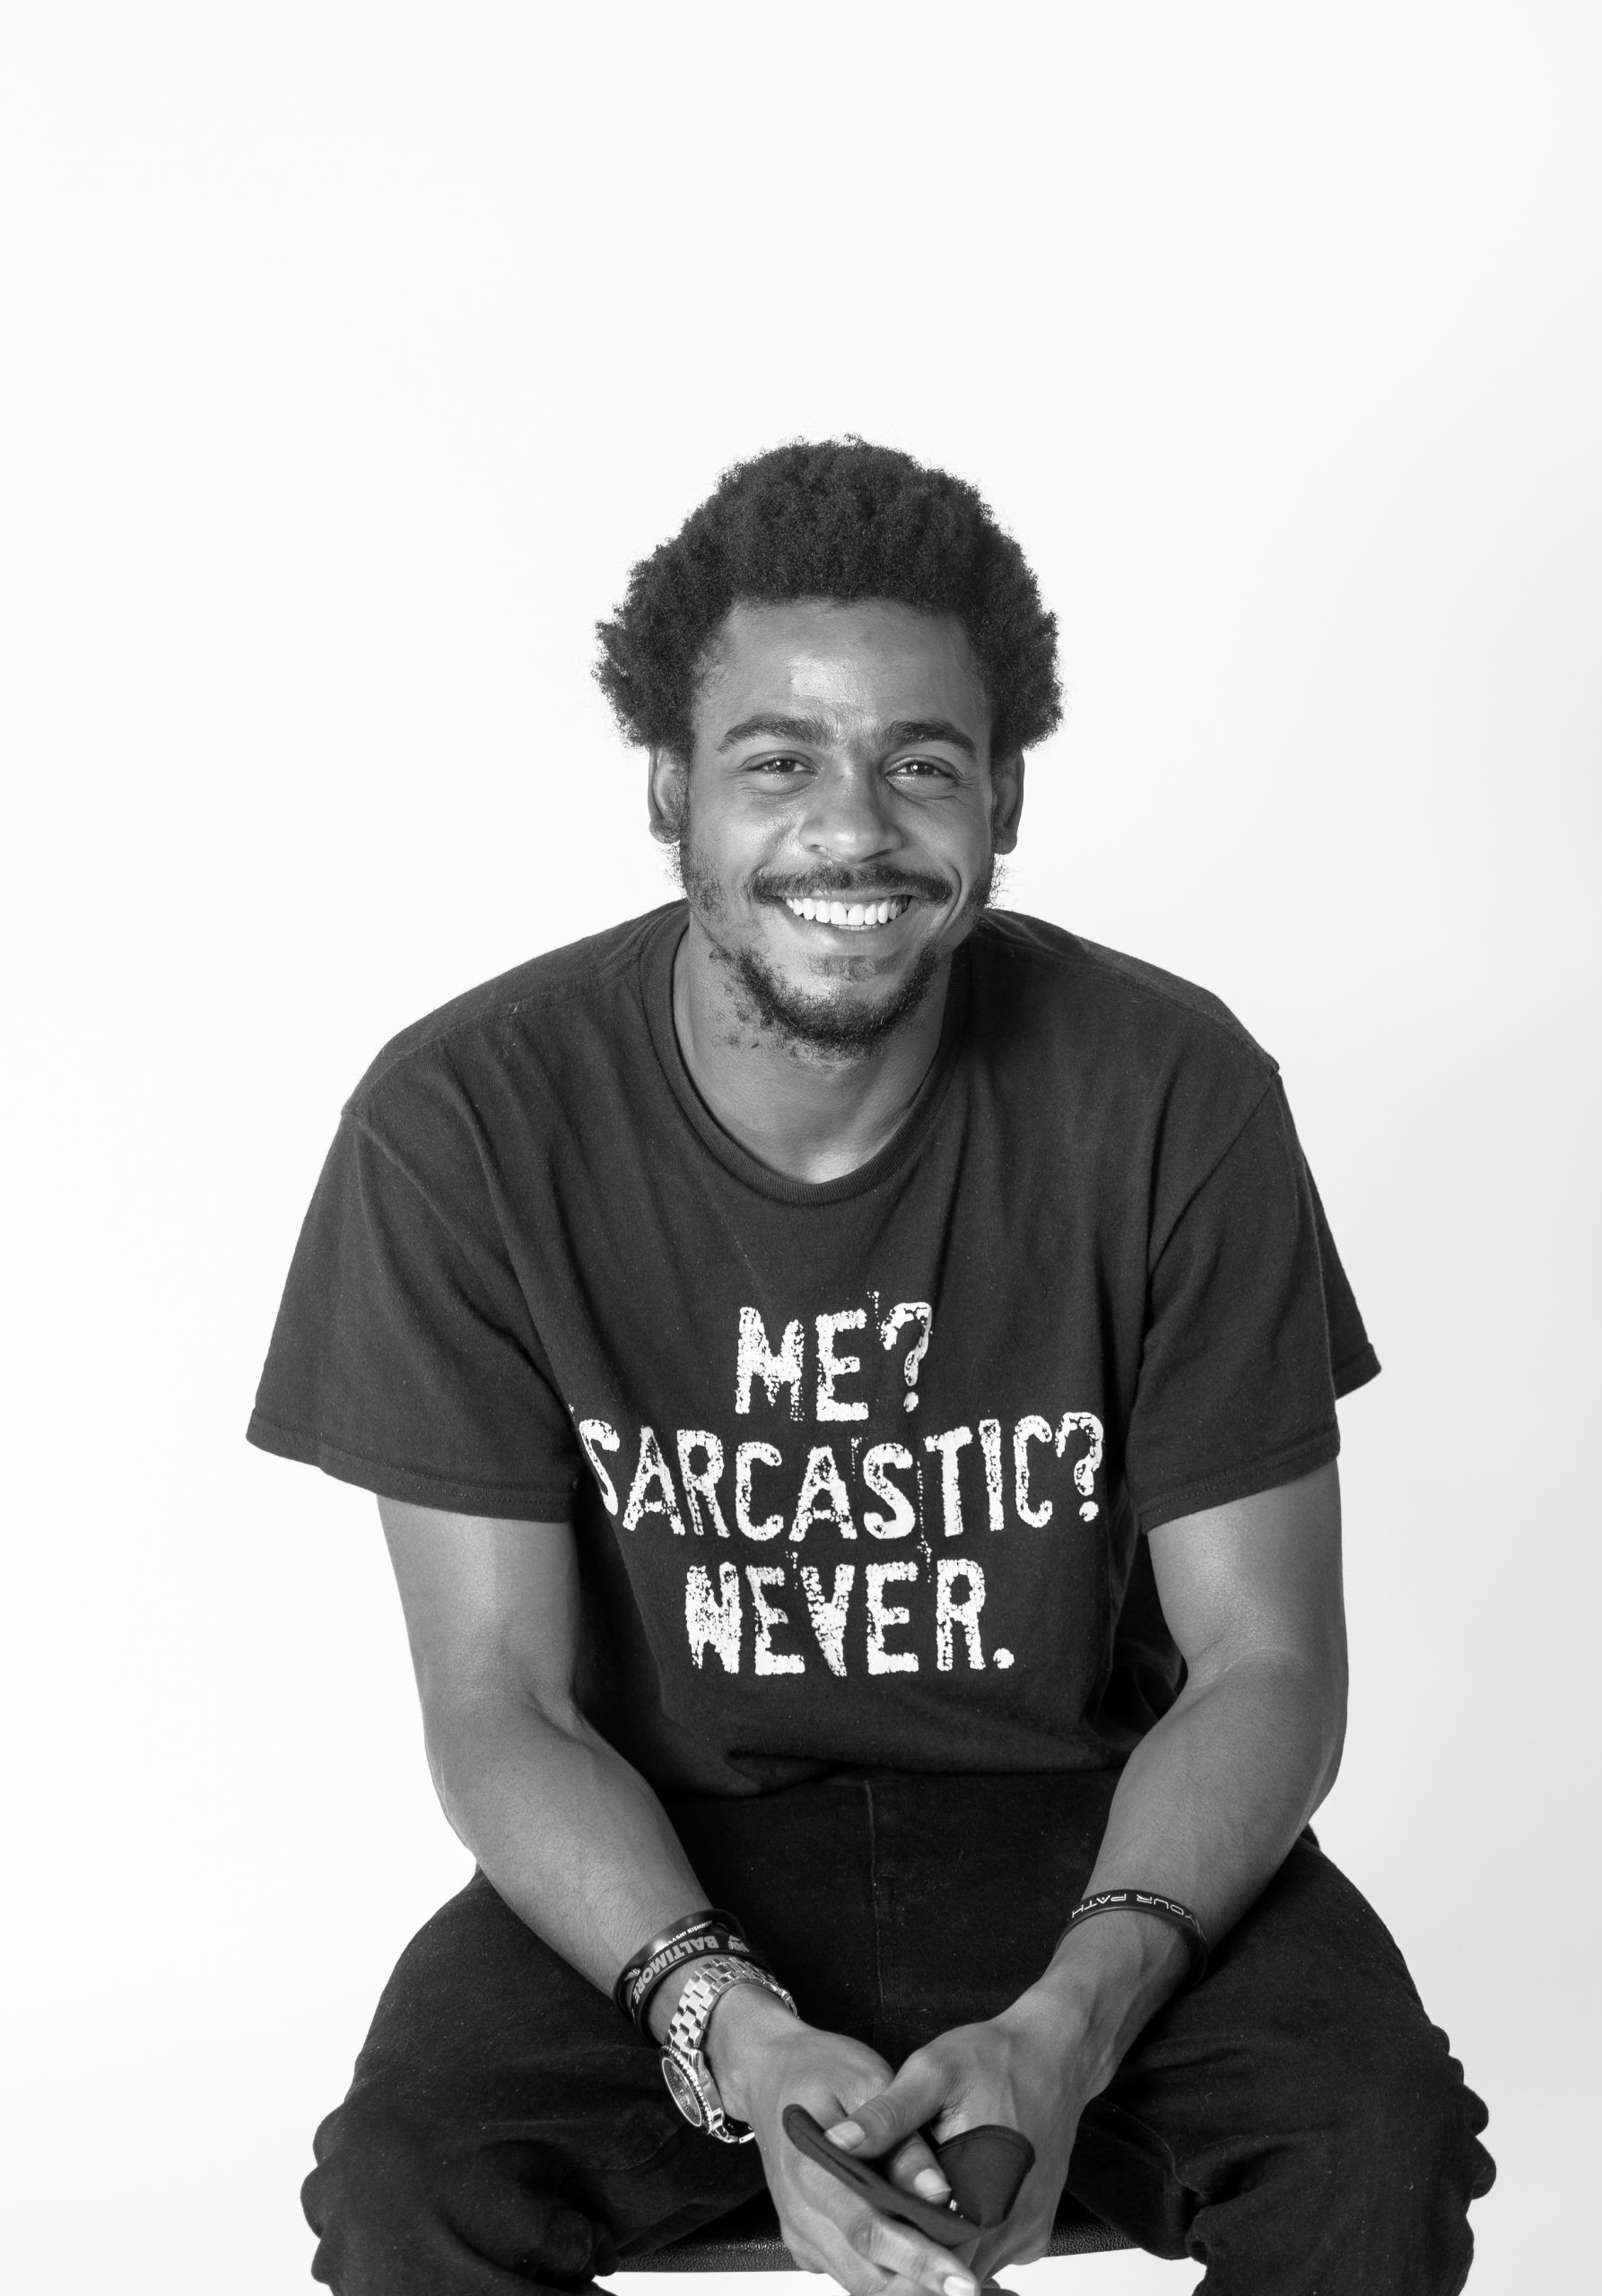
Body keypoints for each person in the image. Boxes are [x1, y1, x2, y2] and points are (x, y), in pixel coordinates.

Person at [248, 439, 1493, 2296]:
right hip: (671, 1848)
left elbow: (1265, 1662)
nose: (853, 823)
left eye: (920, 760)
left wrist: (1069, 2021)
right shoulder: (462, 1124)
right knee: (414, 2183)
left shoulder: (1169, 1092)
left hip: (1092, 1830)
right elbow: (502, 1698)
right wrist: (725, 2026)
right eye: (777, 759)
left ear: (999, 793)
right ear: (670, 785)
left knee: (1371, 2146)